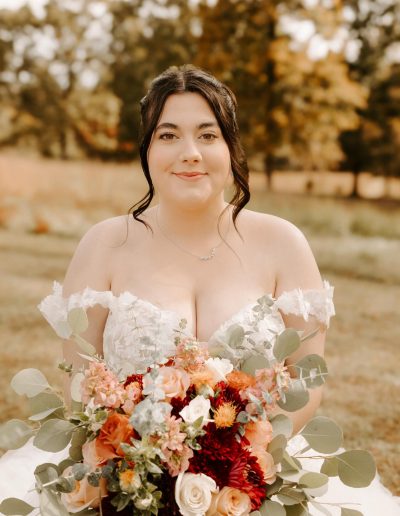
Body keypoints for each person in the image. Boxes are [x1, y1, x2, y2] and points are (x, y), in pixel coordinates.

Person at [0, 64, 399, 515]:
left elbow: (307, 380)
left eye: (208, 136)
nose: (189, 153)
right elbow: (79, 382)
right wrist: (142, 463)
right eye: (168, 135)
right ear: (146, 150)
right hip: (128, 476)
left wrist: (246, 462)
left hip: (257, 476)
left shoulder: (283, 243)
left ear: (231, 148)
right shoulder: (104, 244)